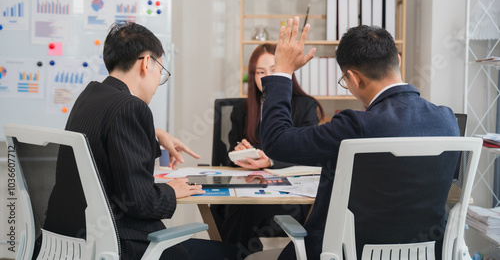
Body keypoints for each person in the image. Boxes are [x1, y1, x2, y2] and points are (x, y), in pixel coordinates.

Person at [246, 18, 460, 260]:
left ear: (355, 78)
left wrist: (283, 71)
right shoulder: (447, 120)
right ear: (398, 60)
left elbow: (276, 141)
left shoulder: (355, 125)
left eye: (345, 82)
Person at [43, 21, 238, 260]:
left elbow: (103, 136)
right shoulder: (132, 107)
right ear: (147, 63)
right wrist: (169, 191)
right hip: (122, 245)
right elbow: (142, 202)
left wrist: (154, 132)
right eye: (161, 73)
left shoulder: (90, 96)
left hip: (75, 241)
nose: (158, 82)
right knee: (230, 253)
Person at [213, 43, 324, 257]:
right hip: (249, 189)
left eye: (273, 70)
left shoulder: (304, 106)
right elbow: (229, 156)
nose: (265, 78)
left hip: (288, 197)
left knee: (245, 208)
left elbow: (312, 156)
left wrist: (270, 162)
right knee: (239, 205)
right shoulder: (242, 109)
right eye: (260, 72)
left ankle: (230, 255)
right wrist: (241, 153)